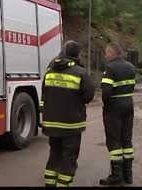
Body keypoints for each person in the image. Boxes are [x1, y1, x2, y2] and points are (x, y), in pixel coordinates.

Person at [41, 40, 95, 187]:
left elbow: (44, 95)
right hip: (71, 124)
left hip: (52, 123)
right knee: (69, 157)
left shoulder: (50, 71)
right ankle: (63, 184)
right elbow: (88, 96)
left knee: (55, 154)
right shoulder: (80, 73)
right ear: (77, 55)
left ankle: (50, 183)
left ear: (64, 52)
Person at [99, 42, 136, 186]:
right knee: (126, 140)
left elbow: (106, 92)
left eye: (106, 53)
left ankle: (116, 176)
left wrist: (106, 104)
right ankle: (128, 175)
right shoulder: (131, 67)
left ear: (112, 53)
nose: (105, 55)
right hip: (128, 105)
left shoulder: (110, 68)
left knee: (114, 140)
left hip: (114, 107)